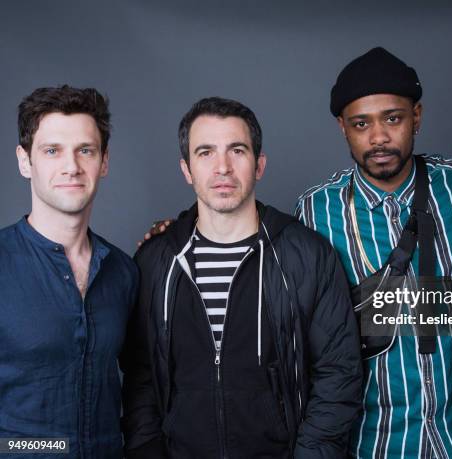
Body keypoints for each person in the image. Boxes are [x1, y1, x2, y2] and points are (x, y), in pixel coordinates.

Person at [121, 97, 362, 458]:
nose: (223, 167)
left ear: (259, 164)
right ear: (187, 169)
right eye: (205, 153)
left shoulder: (306, 255)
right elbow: (140, 378)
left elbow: (338, 373)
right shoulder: (156, 261)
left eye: (237, 150)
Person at [295, 47, 452, 458]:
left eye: (393, 118)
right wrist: (174, 231)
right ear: (342, 128)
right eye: (361, 124)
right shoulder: (315, 210)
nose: (379, 137)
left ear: (416, 117)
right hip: (374, 441)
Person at [0, 85, 138, 458]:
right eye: (52, 151)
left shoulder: (123, 271)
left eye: (85, 150)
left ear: (104, 161)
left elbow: (143, 388)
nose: (71, 166)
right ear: (24, 161)